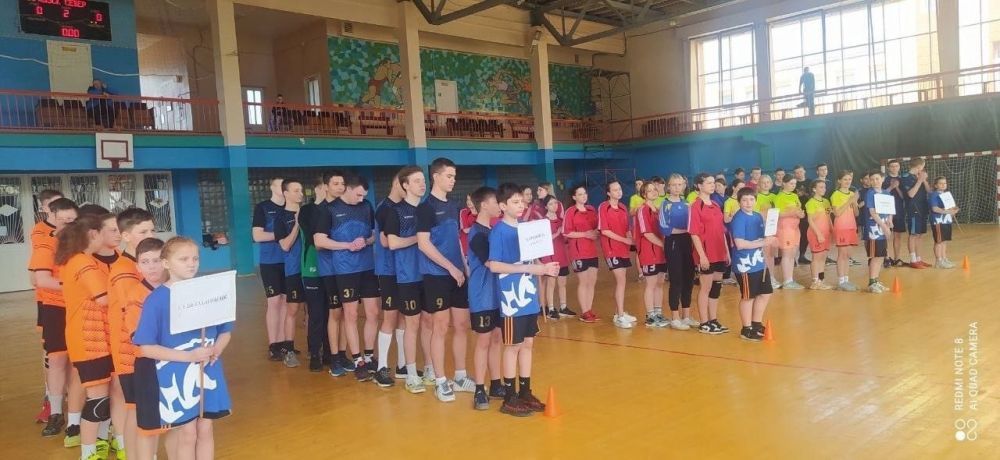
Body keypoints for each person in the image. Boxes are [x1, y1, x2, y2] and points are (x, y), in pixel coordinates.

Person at [133, 237, 232, 460]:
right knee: (187, 433)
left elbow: (225, 331)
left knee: (205, 428)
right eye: (184, 259)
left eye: (195, 258)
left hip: (208, 369)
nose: (191, 264)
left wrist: (217, 349)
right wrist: (189, 356)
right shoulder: (156, 300)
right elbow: (146, 348)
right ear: (166, 263)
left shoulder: (209, 292)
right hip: (176, 374)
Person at [487, 183, 560, 417]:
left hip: (529, 296)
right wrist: (529, 268)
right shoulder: (498, 231)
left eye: (522, 202)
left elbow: (532, 259)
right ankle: (509, 397)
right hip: (512, 299)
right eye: (515, 202)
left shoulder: (525, 229)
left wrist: (545, 267)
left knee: (528, 344)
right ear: (502, 206)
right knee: (513, 346)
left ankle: (525, 392)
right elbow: (494, 265)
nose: (521, 206)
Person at [56, 214, 114, 460]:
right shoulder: (83, 263)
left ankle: (98, 446)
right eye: (107, 231)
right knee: (98, 400)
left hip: (95, 339)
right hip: (89, 342)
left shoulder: (81, 260)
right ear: (93, 234)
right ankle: (88, 453)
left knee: (103, 398)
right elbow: (105, 298)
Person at [417, 158, 474, 402]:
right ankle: (440, 381)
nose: (453, 180)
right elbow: (423, 244)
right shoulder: (425, 208)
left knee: (461, 325)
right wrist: (450, 268)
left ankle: (460, 376)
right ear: (436, 177)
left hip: (458, 274)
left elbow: (456, 240)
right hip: (436, 275)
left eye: (454, 176)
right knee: (439, 327)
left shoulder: (453, 206)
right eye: (449, 176)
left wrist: (464, 267)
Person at [315, 174, 380, 382]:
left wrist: (366, 241)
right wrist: (347, 245)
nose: (361, 199)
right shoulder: (329, 210)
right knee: (350, 314)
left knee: (373, 312)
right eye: (358, 194)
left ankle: (369, 356)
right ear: (348, 189)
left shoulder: (366, 206)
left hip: (367, 267)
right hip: (345, 269)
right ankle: (358, 360)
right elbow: (319, 241)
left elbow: (374, 235)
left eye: (364, 195)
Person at [31, 197, 81, 444]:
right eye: (63, 220)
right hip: (55, 308)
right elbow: (41, 280)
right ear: (53, 218)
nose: (68, 225)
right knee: (57, 359)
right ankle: (55, 412)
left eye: (73, 220)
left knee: (77, 362)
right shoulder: (46, 244)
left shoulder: (83, 246)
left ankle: (75, 416)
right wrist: (75, 286)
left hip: (80, 308)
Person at [107, 208, 156, 457]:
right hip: (130, 350)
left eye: (152, 230)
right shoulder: (125, 270)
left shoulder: (139, 264)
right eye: (142, 232)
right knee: (136, 409)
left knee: (138, 409)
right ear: (125, 236)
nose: (150, 236)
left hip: (141, 348)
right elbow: (138, 311)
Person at [115, 237, 163, 460]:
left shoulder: (172, 289)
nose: (152, 267)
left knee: (161, 420)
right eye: (145, 262)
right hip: (139, 364)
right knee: (141, 418)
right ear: (138, 266)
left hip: (165, 363)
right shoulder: (136, 295)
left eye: (157, 260)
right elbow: (141, 339)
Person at [385, 166, 429, 394]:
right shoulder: (396, 212)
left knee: (429, 323)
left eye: (423, 180)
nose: (422, 184)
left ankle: (430, 369)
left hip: (429, 275)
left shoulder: (427, 209)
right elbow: (392, 243)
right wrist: (419, 239)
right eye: (417, 181)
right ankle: (411, 373)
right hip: (408, 276)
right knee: (412, 325)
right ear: (405, 185)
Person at [465, 186, 506, 410]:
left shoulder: (493, 230)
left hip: (497, 294)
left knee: (497, 338)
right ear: (484, 205)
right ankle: (480, 389)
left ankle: (496, 384)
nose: (499, 205)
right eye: (495, 202)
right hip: (482, 296)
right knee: (483, 341)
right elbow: (492, 263)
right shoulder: (477, 234)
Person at [316, 170, 353, 376]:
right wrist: (346, 245)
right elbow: (319, 243)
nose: (340, 187)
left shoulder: (348, 208)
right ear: (326, 186)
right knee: (335, 312)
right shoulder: (322, 210)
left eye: (342, 183)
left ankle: (343, 353)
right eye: (335, 183)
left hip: (349, 268)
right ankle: (333, 357)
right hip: (330, 269)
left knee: (348, 312)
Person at [371, 174, 406, 387]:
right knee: (390, 317)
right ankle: (381, 367)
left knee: (404, 317)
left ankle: (402, 365)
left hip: (404, 270)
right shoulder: (385, 208)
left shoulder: (404, 207)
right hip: (388, 270)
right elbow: (385, 241)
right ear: (396, 183)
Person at [729, 188, 775, 342]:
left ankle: (756, 324)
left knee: (765, 293)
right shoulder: (739, 219)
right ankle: (746, 328)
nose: (748, 203)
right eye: (744, 200)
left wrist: (770, 236)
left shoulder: (757, 216)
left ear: (755, 201)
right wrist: (763, 242)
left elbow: (762, 237)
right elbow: (740, 244)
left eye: (751, 199)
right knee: (748, 297)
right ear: (739, 202)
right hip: (745, 265)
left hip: (759, 262)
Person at [297, 176, 332, 372]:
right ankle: (315, 353)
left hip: (332, 269)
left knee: (331, 312)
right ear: (319, 189)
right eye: (327, 187)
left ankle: (330, 352)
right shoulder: (307, 211)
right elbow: (314, 238)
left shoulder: (333, 209)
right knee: (316, 313)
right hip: (312, 268)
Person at [252, 177, 289, 362]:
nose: (283, 188)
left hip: (289, 261)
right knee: (274, 302)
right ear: (272, 187)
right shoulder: (263, 207)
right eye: (279, 185)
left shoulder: (292, 207)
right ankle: (273, 344)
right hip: (270, 262)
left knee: (286, 302)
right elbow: (257, 235)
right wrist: (281, 235)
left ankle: (283, 343)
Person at [689, 173, 730, 335]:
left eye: (713, 183)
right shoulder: (695, 206)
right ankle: (704, 322)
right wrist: (702, 256)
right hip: (706, 253)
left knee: (716, 287)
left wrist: (726, 251)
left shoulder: (715, 204)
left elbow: (721, 230)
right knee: (705, 287)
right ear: (699, 185)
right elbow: (694, 233)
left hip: (719, 251)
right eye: (709, 183)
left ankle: (713, 320)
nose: (712, 185)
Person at [273, 179, 306, 368]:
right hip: (294, 270)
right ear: (285, 193)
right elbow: (285, 245)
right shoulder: (280, 218)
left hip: (312, 270)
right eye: (296, 190)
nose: (300, 194)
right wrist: (297, 224)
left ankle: (316, 349)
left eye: (301, 190)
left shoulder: (308, 212)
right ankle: (289, 350)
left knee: (314, 311)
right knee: (292, 310)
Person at [659, 174, 699, 330]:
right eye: (674, 185)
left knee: (689, 279)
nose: (677, 187)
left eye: (680, 184)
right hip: (673, 243)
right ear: (669, 187)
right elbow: (665, 228)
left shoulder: (687, 204)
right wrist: (685, 230)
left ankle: (686, 316)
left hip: (687, 243)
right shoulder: (665, 204)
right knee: (676, 280)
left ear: (684, 186)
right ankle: (675, 317)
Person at [598, 180, 636, 329]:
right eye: (615, 190)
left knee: (622, 281)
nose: (618, 192)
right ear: (608, 193)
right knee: (620, 280)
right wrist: (624, 240)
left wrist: (630, 238)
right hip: (611, 249)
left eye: (619, 189)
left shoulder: (623, 207)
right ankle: (620, 316)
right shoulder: (603, 207)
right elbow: (605, 230)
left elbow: (627, 228)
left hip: (623, 249)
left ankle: (618, 312)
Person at [563, 184, 600, 323]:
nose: (583, 196)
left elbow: (597, 227)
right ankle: (584, 312)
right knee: (583, 281)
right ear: (574, 197)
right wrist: (585, 234)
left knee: (592, 281)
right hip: (578, 251)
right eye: (580, 194)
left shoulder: (591, 209)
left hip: (592, 251)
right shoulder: (570, 212)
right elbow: (566, 232)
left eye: (585, 193)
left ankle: (589, 309)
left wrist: (596, 232)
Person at [634, 182, 668, 328]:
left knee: (660, 283)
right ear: (644, 194)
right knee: (651, 284)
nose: (653, 192)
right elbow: (646, 233)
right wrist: (663, 245)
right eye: (649, 190)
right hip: (649, 252)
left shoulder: (658, 210)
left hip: (661, 253)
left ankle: (658, 312)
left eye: (655, 189)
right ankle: (650, 315)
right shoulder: (642, 210)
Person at [539, 196, 571, 320]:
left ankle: (563, 306)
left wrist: (566, 234)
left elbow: (566, 238)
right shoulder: (543, 221)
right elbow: (543, 240)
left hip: (562, 254)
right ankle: (551, 308)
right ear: (546, 206)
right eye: (551, 204)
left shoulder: (562, 220)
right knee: (551, 283)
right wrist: (558, 232)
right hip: (550, 256)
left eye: (555, 203)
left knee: (562, 283)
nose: (554, 206)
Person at [830, 171, 861, 291]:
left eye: (849, 179)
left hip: (851, 226)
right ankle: (841, 281)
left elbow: (856, 213)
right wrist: (850, 201)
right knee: (842, 254)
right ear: (839, 181)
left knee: (848, 254)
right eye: (845, 179)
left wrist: (854, 203)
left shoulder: (852, 194)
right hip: (841, 227)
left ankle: (846, 280)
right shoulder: (836, 195)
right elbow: (837, 213)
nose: (848, 181)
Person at [863, 171, 893, 293]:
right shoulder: (870, 193)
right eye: (872, 179)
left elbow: (890, 210)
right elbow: (872, 212)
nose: (875, 181)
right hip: (874, 230)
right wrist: (883, 226)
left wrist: (890, 221)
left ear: (882, 179)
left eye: (877, 178)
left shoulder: (886, 193)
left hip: (883, 228)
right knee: (875, 256)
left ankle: (875, 280)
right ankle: (871, 283)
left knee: (881, 255)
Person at [775, 175, 805, 289]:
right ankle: (787, 281)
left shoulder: (794, 195)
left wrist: (801, 214)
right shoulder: (779, 197)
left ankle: (790, 279)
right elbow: (777, 213)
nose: (793, 186)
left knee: (792, 254)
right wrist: (792, 213)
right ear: (784, 183)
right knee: (786, 255)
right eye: (791, 183)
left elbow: (799, 210)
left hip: (795, 228)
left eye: (794, 184)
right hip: (785, 228)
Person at [901, 158, 932, 269]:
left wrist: (924, 180)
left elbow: (929, 191)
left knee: (920, 234)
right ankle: (913, 260)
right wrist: (919, 180)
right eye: (923, 166)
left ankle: (919, 259)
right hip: (913, 209)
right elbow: (911, 194)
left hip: (923, 208)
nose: (923, 168)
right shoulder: (906, 177)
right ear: (919, 166)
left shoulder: (919, 176)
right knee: (913, 235)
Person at [805, 180, 834, 290]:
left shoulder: (826, 201)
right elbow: (810, 220)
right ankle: (815, 281)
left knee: (823, 257)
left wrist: (832, 230)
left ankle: (821, 280)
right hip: (815, 233)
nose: (823, 189)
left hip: (826, 233)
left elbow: (828, 217)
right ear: (814, 189)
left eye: (824, 187)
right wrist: (818, 234)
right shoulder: (811, 203)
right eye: (821, 187)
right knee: (816, 258)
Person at [753, 175, 780, 289]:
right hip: (762, 229)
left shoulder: (775, 197)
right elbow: (756, 214)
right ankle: (764, 279)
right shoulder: (756, 197)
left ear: (771, 184)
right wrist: (767, 214)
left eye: (768, 182)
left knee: (771, 255)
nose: (766, 184)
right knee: (764, 254)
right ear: (759, 184)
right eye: (763, 182)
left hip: (773, 229)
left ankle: (771, 277)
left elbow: (779, 212)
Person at [929, 176, 959, 269]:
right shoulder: (934, 195)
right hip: (938, 221)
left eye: (944, 183)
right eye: (940, 183)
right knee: (939, 241)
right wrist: (948, 211)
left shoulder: (946, 195)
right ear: (936, 185)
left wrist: (954, 209)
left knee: (944, 241)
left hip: (946, 221)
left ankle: (944, 258)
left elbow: (950, 207)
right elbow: (934, 208)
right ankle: (939, 261)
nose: (943, 185)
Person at [884, 160, 907, 268]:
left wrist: (897, 187)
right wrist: (891, 187)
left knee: (897, 235)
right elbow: (881, 195)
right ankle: (886, 258)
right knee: (885, 235)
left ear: (899, 167)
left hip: (898, 210)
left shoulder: (902, 180)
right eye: (892, 166)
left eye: (896, 166)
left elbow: (903, 197)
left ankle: (897, 258)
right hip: (886, 211)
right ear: (888, 168)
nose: (894, 168)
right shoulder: (884, 180)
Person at [792, 165, 811, 265]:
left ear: (804, 171)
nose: (799, 174)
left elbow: (814, 195)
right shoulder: (792, 183)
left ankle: (802, 256)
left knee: (805, 235)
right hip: (795, 213)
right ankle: (792, 258)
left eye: (800, 171)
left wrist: (805, 194)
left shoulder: (810, 182)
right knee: (794, 236)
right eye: (796, 172)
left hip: (807, 212)